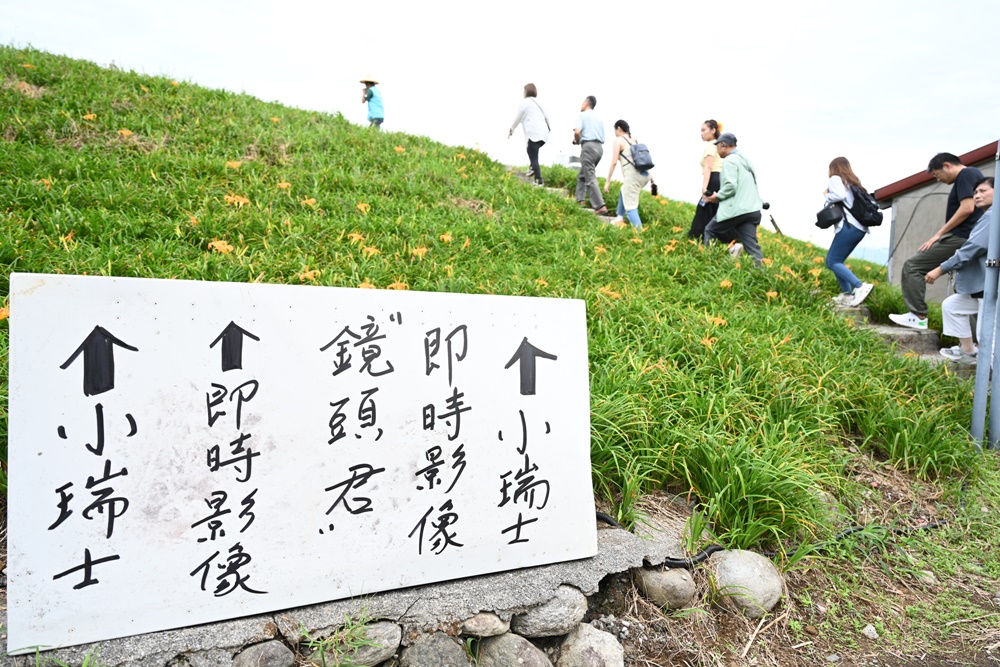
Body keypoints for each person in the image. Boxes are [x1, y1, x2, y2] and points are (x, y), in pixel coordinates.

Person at [888, 153, 985, 329]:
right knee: (966, 292)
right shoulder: (972, 175)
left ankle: (917, 315)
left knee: (913, 266)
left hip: (960, 236)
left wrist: (938, 234)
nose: (937, 179)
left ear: (946, 166)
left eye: (936, 174)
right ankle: (974, 344)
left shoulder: (966, 174)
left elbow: (967, 207)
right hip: (968, 238)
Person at [924, 177, 994, 364]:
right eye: (975, 192)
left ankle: (990, 384)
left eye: (983, 191)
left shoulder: (993, 215)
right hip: (982, 286)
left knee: (986, 335)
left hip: (991, 285)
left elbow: (971, 249)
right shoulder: (987, 216)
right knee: (952, 306)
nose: (977, 195)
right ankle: (969, 352)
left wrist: (940, 269)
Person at [702, 133, 765, 266]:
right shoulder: (745, 160)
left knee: (710, 230)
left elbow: (731, 186)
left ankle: (707, 263)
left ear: (723, 145)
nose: (717, 150)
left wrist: (717, 196)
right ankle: (762, 274)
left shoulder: (730, 161)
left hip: (737, 209)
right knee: (752, 246)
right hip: (752, 210)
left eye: (717, 146)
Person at [823, 157, 875, 307]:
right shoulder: (853, 181)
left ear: (833, 168)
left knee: (831, 261)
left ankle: (859, 286)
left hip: (848, 227)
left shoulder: (835, 179)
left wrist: (827, 194)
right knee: (837, 261)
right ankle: (847, 294)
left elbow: (839, 195)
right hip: (860, 228)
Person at [603, 120, 654, 230]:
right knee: (623, 189)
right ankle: (619, 217)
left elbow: (614, 162)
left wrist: (608, 181)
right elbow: (643, 161)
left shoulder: (619, 141)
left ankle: (641, 236)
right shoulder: (634, 140)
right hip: (645, 176)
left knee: (631, 208)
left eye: (615, 129)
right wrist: (652, 180)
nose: (614, 132)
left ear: (619, 128)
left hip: (633, 177)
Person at [688, 119, 725, 240]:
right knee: (715, 212)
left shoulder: (711, 145)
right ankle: (721, 240)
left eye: (704, 130)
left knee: (703, 210)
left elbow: (708, 167)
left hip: (713, 179)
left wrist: (704, 188)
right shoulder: (720, 146)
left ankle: (696, 239)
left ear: (713, 130)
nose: (701, 133)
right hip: (721, 180)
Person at [573, 96, 609, 215]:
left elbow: (577, 132)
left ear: (587, 102)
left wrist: (577, 140)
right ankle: (580, 200)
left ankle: (600, 206)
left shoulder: (582, 115)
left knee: (590, 176)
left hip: (588, 147)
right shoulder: (599, 118)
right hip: (599, 149)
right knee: (583, 175)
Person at [509, 83, 550, 187]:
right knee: (531, 150)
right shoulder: (541, 103)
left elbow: (517, 118)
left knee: (534, 156)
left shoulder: (525, 103)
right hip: (544, 134)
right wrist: (549, 129)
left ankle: (539, 181)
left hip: (533, 134)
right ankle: (532, 168)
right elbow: (547, 118)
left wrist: (512, 129)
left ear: (526, 92)